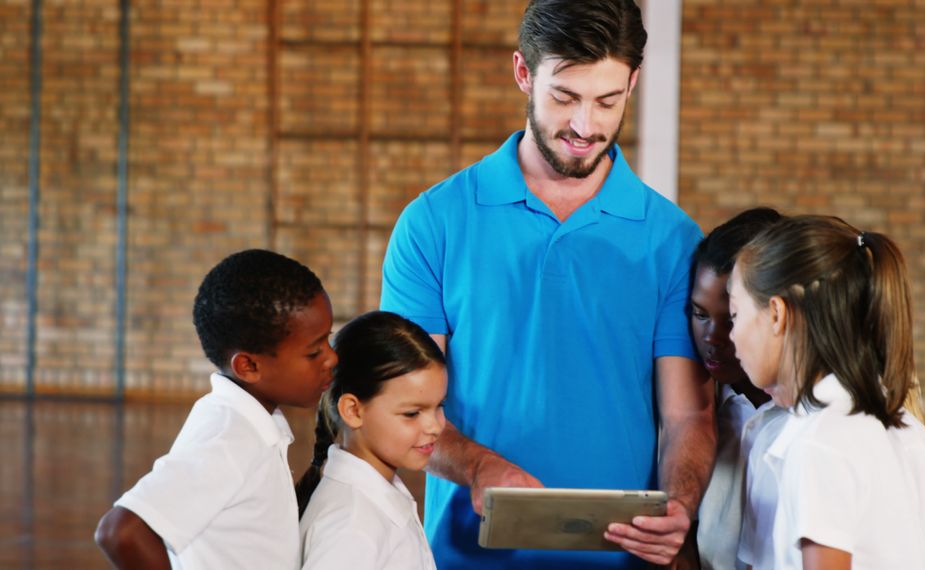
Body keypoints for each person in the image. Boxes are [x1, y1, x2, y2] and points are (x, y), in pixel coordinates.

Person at [379, 1, 715, 567]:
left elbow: (688, 416)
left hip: (623, 559)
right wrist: (480, 466)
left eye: (608, 101)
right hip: (467, 556)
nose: (586, 127)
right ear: (523, 74)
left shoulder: (673, 240)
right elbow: (403, 406)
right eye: (564, 97)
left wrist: (681, 503)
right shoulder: (433, 223)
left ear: (633, 83)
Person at [94, 249, 338, 569]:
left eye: (328, 341)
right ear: (248, 366)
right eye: (313, 352)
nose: (331, 358)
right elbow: (121, 532)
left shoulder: (254, 422)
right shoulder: (229, 437)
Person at [726, 215, 925, 569]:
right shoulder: (886, 426)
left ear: (777, 315)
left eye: (735, 315)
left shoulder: (818, 441)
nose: (731, 335)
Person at [296, 311, 446, 569]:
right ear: (354, 410)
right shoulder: (351, 526)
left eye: (439, 406)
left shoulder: (378, 497)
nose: (434, 426)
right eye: (412, 413)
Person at [687, 208, 781, 570]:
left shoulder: (813, 419)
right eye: (699, 314)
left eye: (732, 318)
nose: (712, 338)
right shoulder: (692, 409)